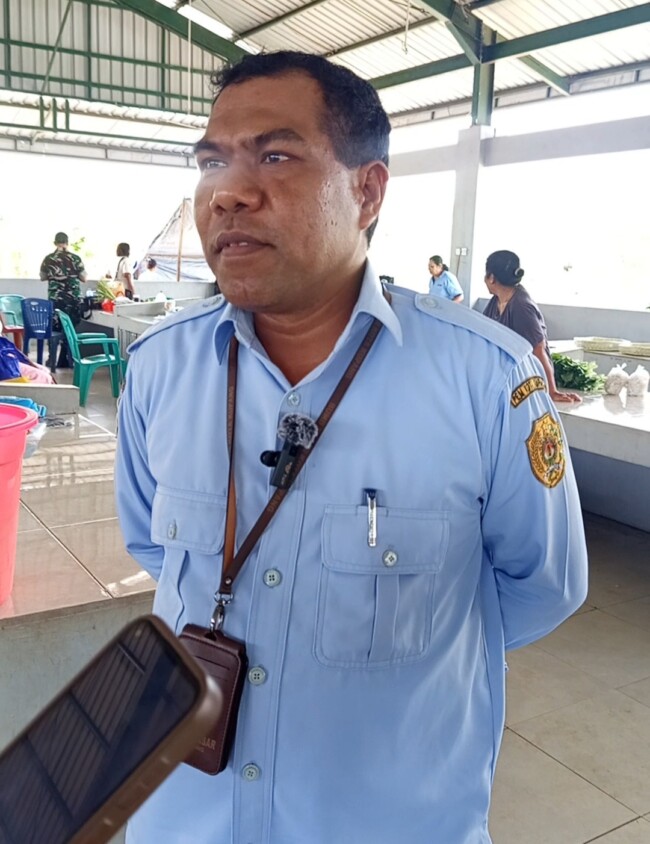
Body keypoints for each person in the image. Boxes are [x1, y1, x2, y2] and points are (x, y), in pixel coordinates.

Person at [115, 51, 588, 844]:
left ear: (367, 191)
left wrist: (404, 656)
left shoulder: (486, 378)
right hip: (185, 820)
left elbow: (544, 584)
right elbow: (152, 547)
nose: (228, 191)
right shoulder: (162, 366)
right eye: (211, 162)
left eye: (275, 156)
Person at [483, 250, 581, 403]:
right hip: (506, 381)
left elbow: (538, 349)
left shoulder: (521, 306)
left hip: (526, 383)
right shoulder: (495, 302)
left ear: (491, 278)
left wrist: (551, 391)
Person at [39, 231, 87, 368]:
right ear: (67, 242)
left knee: (54, 329)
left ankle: (52, 359)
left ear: (55, 243)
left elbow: (42, 277)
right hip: (72, 300)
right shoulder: (75, 258)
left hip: (56, 299)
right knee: (70, 328)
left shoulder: (48, 259)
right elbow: (84, 278)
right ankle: (67, 358)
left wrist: (54, 275)